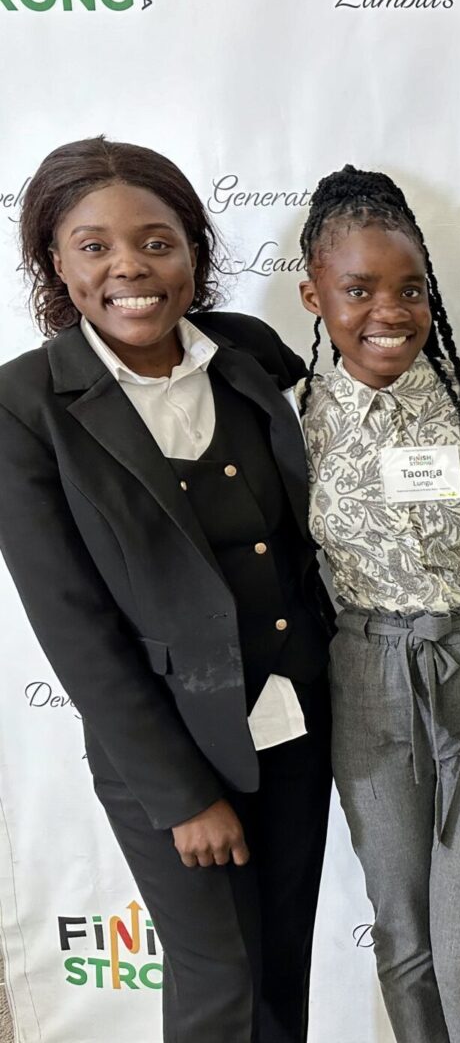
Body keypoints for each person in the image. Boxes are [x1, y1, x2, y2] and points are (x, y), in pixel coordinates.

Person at [0, 137, 332, 1042]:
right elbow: (75, 629)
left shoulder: (247, 352)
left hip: (296, 725)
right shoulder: (26, 406)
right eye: (94, 246)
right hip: (172, 752)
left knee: (280, 978)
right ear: (56, 264)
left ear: (193, 250)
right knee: (221, 989)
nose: (130, 267)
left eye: (156, 242)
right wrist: (183, 796)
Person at [295, 166, 460, 1042]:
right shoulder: (293, 418)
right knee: (403, 939)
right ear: (315, 296)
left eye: (410, 290)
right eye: (359, 290)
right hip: (368, 679)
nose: (388, 312)